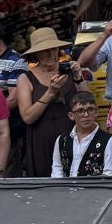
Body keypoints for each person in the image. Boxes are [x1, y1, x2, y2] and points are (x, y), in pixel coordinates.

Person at [13, 26, 74, 177]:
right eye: (44, 50)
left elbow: (89, 101)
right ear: (35, 54)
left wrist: (79, 78)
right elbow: (27, 117)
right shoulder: (25, 78)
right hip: (42, 139)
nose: (50, 54)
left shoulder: (69, 70)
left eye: (53, 49)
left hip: (72, 135)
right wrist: (50, 92)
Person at [52, 87, 112, 177]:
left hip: (94, 189)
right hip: (65, 189)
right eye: (80, 111)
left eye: (90, 110)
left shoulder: (107, 140)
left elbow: (110, 174)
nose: (86, 115)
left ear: (96, 112)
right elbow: (57, 169)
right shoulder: (62, 139)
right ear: (71, 116)